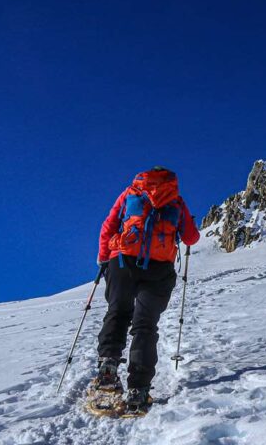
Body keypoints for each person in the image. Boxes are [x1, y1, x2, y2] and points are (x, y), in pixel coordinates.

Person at [93, 166, 200, 414]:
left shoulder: (131, 193)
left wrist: (103, 259)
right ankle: (138, 388)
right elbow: (191, 238)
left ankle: (107, 368)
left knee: (118, 312)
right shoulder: (176, 201)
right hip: (159, 269)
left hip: (122, 262)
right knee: (145, 325)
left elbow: (109, 225)